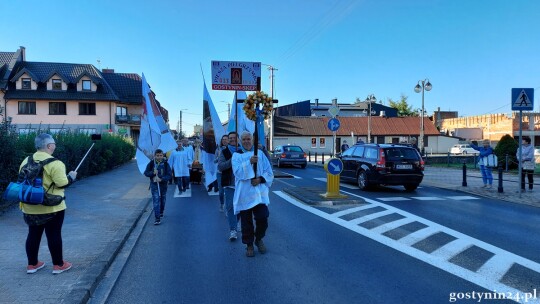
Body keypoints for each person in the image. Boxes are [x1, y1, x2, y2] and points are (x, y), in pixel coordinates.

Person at [21, 133, 77, 274]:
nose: (55, 146)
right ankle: (58, 265)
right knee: (53, 234)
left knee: (33, 234)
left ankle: (32, 265)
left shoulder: (25, 160)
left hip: (29, 205)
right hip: (52, 207)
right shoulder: (56, 163)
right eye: (53, 143)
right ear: (49, 146)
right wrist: (72, 177)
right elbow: (62, 183)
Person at [232, 131, 274, 257]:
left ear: (252, 139)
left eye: (248, 139)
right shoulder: (236, 156)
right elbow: (238, 173)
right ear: (240, 141)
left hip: (259, 194)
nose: (246, 141)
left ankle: (259, 238)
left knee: (263, 217)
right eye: (244, 139)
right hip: (244, 194)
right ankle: (249, 244)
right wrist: (249, 162)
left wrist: (260, 179)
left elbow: (269, 171)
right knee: (246, 222)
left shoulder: (260, 153)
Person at [217, 132, 240, 240]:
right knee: (230, 207)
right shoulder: (224, 151)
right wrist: (232, 160)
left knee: (241, 207)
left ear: (238, 139)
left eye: (234, 138)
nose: (232, 140)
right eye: (230, 138)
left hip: (243, 184)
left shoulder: (244, 150)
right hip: (230, 183)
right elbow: (221, 166)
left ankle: (235, 222)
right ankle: (233, 230)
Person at [144, 149, 172, 225]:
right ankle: (157, 218)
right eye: (157, 155)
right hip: (154, 185)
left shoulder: (166, 164)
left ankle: (161, 211)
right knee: (156, 201)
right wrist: (153, 173)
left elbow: (169, 175)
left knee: (162, 200)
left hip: (163, 185)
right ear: (155, 156)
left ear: (163, 155)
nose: (159, 157)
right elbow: (146, 173)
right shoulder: (151, 163)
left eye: (161, 155)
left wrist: (161, 179)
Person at [214, 135, 228, 211]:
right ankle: (222, 204)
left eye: (226, 139)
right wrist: (219, 157)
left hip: (229, 172)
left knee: (229, 191)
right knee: (221, 191)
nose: (224, 141)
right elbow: (214, 161)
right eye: (223, 139)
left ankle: (228, 206)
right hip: (220, 173)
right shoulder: (218, 149)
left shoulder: (231, 149)